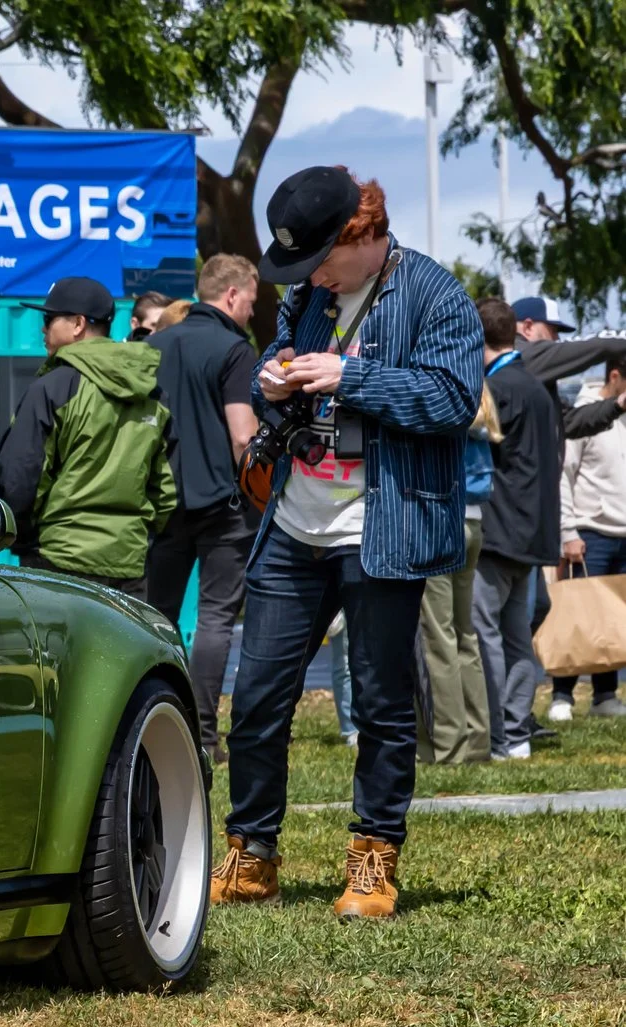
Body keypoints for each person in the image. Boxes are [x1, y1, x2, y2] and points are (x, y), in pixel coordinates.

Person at [211, 167, 484, 921]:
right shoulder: (308, 299)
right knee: (259, 697)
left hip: (384, 526)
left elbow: (453, 400)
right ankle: (252, 851)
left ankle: (372, 861)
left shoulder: (435, 294)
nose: (309, 278)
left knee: (382, 703)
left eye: (319, 260)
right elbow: (291, 365)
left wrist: (352, 375)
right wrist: (276, 378)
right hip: (295, 521)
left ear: (361, 235)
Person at [142, 253, 262, 757]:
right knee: (215, 617)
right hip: (222, 505)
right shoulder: (234, 350)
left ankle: (148, 720)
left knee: (156, 615)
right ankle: (204, 734)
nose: (253, 313)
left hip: (163, 502)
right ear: (231, 295)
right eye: (252, 302)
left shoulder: (154, 346)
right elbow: (242, 435)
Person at [0, 276, 173, 592]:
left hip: (57, 562)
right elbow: (165, 489)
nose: (42, 329)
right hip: (128, 564)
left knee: (56, 644)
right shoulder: (152, 392)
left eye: (48, 319)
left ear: (77, 324)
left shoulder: (52, 388)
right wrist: (137, 536)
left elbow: (20, 478)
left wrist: (23, 539)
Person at [473, 297, 565, 760]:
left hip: (498, 530)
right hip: (532, 533)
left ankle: (497, 734)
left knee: (482, 630)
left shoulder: (495, 387)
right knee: (515, 637)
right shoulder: (536, 386)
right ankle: (517, 732)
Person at [417, 385, 497, 764]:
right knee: (465, 633)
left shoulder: (445, 395)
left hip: (440, 521)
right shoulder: (480, 400)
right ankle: (478, 739)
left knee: (439, 635)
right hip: (474, 522)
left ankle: (449, 746)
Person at [550, 356, 626, 720]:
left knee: (611, 621)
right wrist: (568, 531)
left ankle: (605, 694)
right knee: (577, 613)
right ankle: (562, 694)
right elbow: (563, 474)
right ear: (615, 376)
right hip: (589, 532)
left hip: (623, 530)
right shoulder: (585, 413)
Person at [512, 295, 626, 440]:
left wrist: (618, 404)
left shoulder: (534, 375)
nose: (557, 339)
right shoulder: (520, 355)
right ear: (528, 327)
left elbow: (567, 422)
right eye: (553, 330)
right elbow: (597, 346)